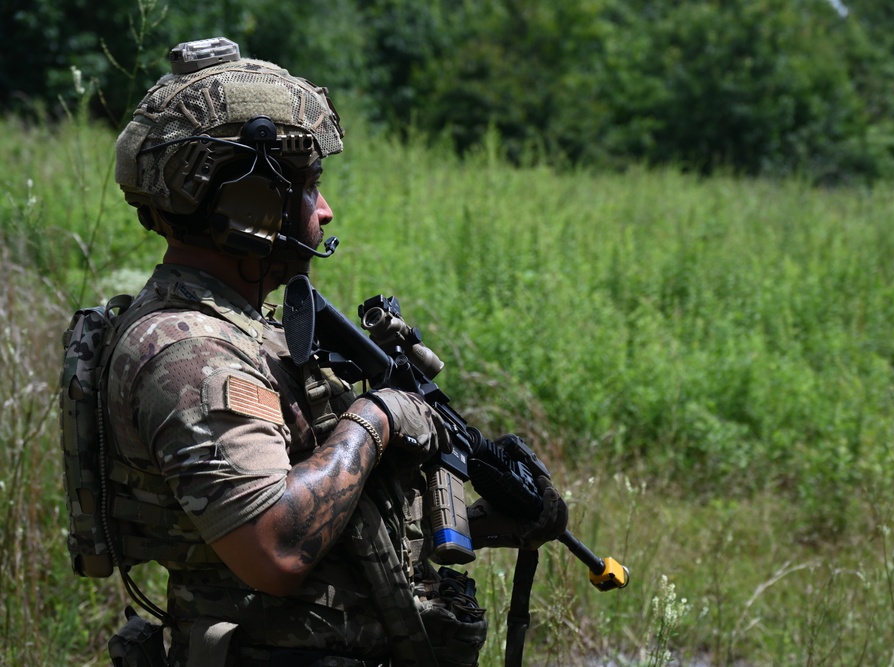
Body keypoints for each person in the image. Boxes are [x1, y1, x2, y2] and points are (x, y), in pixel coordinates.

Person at [104, 37, 567, 667]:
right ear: (250, 201)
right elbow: (276, 549)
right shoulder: (189, 356)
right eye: (309, 185)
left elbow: (338, 522)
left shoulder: (238, 330)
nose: (324, 208)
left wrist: (491, 517)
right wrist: (377, 418)